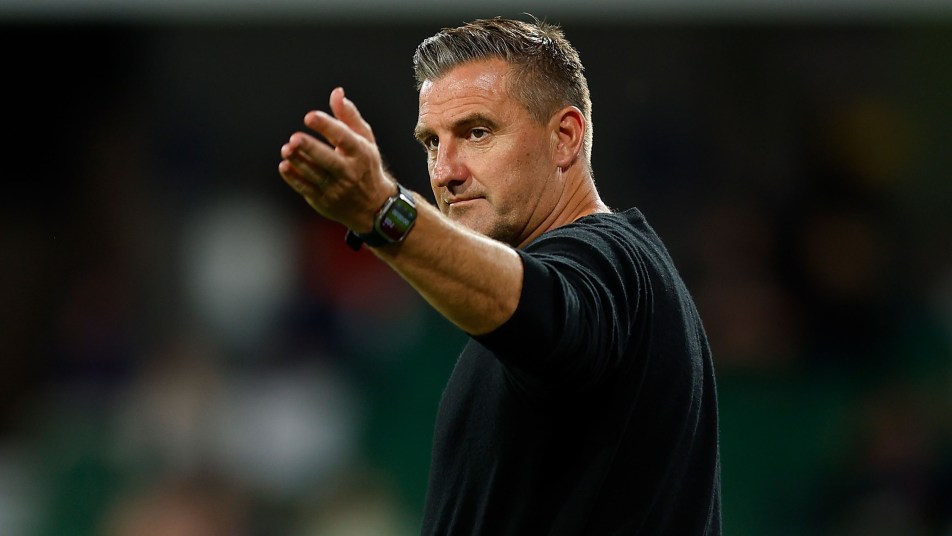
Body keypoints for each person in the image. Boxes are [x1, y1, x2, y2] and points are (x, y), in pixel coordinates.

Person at [278, 15, 721, 535]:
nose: (445, 171)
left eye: (477, 133)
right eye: (431, 142)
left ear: (565, 137)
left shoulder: (611, 260)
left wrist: (385, 213)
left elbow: (546, 310)